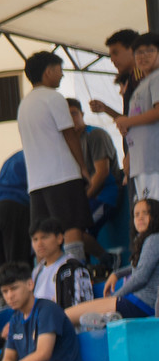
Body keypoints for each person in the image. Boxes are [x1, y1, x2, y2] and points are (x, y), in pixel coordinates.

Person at [17, 51, 93, 235]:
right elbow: (69, 134)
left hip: (37, 183)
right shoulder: (53, 97)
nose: (62, 75)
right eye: (60, 70)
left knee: (47, 234)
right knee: (72, 229)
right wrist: (83, 167)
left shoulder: (24, 105)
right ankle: (78, 257)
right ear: (48, 71)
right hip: (63, 176)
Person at [68, 196, 159, 324]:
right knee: (71, 315)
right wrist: (117, 274)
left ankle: (108, 318)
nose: (140, 218)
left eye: (146, 213)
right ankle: (107, 319)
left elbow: (141, 277)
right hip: (140, 302)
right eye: (136, 214)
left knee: (68, 316)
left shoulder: (154, 239)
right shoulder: (149, 240)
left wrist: (116, 296)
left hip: (142, 304)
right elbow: (140, 266)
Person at [103, 34, 159, 201]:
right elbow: (139, 117)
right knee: (146, 210)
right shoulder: (143, 83)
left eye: (150, 51)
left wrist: (128, 121)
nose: (143, 56)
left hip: (152, 161)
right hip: (142, 160)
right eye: (139, 52)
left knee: (152, 209)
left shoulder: (156, 78)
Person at [70, 95, 122, 240]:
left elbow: (102, 172)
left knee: (80, 231)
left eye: (74, 113)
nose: (71, 118)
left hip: (106, 196)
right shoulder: (69, 143)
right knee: (68, 231)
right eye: (67, 116)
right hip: (87, 198)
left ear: (82, 114)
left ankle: (105, 254)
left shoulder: (95, 134)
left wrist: (82, 200)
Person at [26, 220, 93, 309]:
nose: (39, 244)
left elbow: (82, 306)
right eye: (35, 239)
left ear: (59, 238)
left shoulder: (71, 267)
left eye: (44, 237)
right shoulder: (37, 271)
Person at [0, 151, 32, 271]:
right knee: (19, 265)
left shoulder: (13, 158)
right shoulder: (35, 155)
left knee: (3, 269)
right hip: (15, 206)